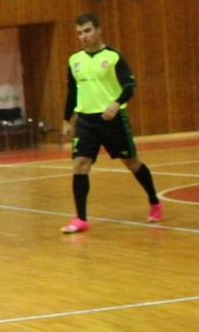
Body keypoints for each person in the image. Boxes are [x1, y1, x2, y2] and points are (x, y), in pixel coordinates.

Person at [60, 13, 163, 233]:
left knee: (132, 163)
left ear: (98, 30)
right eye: (79, 33)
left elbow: (129, 87)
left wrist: (116, 103)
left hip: (112, 120)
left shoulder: (114, 57)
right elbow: (72, 91)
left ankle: (154, 201)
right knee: (80, 164)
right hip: (85, 121)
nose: (84, 36)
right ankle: (80, 219)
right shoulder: (74, 60)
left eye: (87, 31)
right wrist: (67, 119)